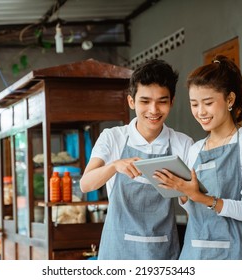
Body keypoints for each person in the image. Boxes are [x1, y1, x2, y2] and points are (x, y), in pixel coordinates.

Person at [153, 55, 242, 259]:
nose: (200, 112)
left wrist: (201, 197)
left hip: (237, 252)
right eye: (194, 104)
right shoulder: (195, 149)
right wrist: (182, 192)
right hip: (196, 251)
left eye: (207, 103)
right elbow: (193, 210)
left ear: (230, 99)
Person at [80, 59, 193, 260]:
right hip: (117, 252)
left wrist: (183, 189)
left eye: (162, 101)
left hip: (162, 252)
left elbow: (192, 204)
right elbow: (86, 184)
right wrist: (115, 166)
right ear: (131, 101)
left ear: (172, 102)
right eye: (145, 101)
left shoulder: (183, 143)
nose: (154, 110)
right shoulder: (113, 137)